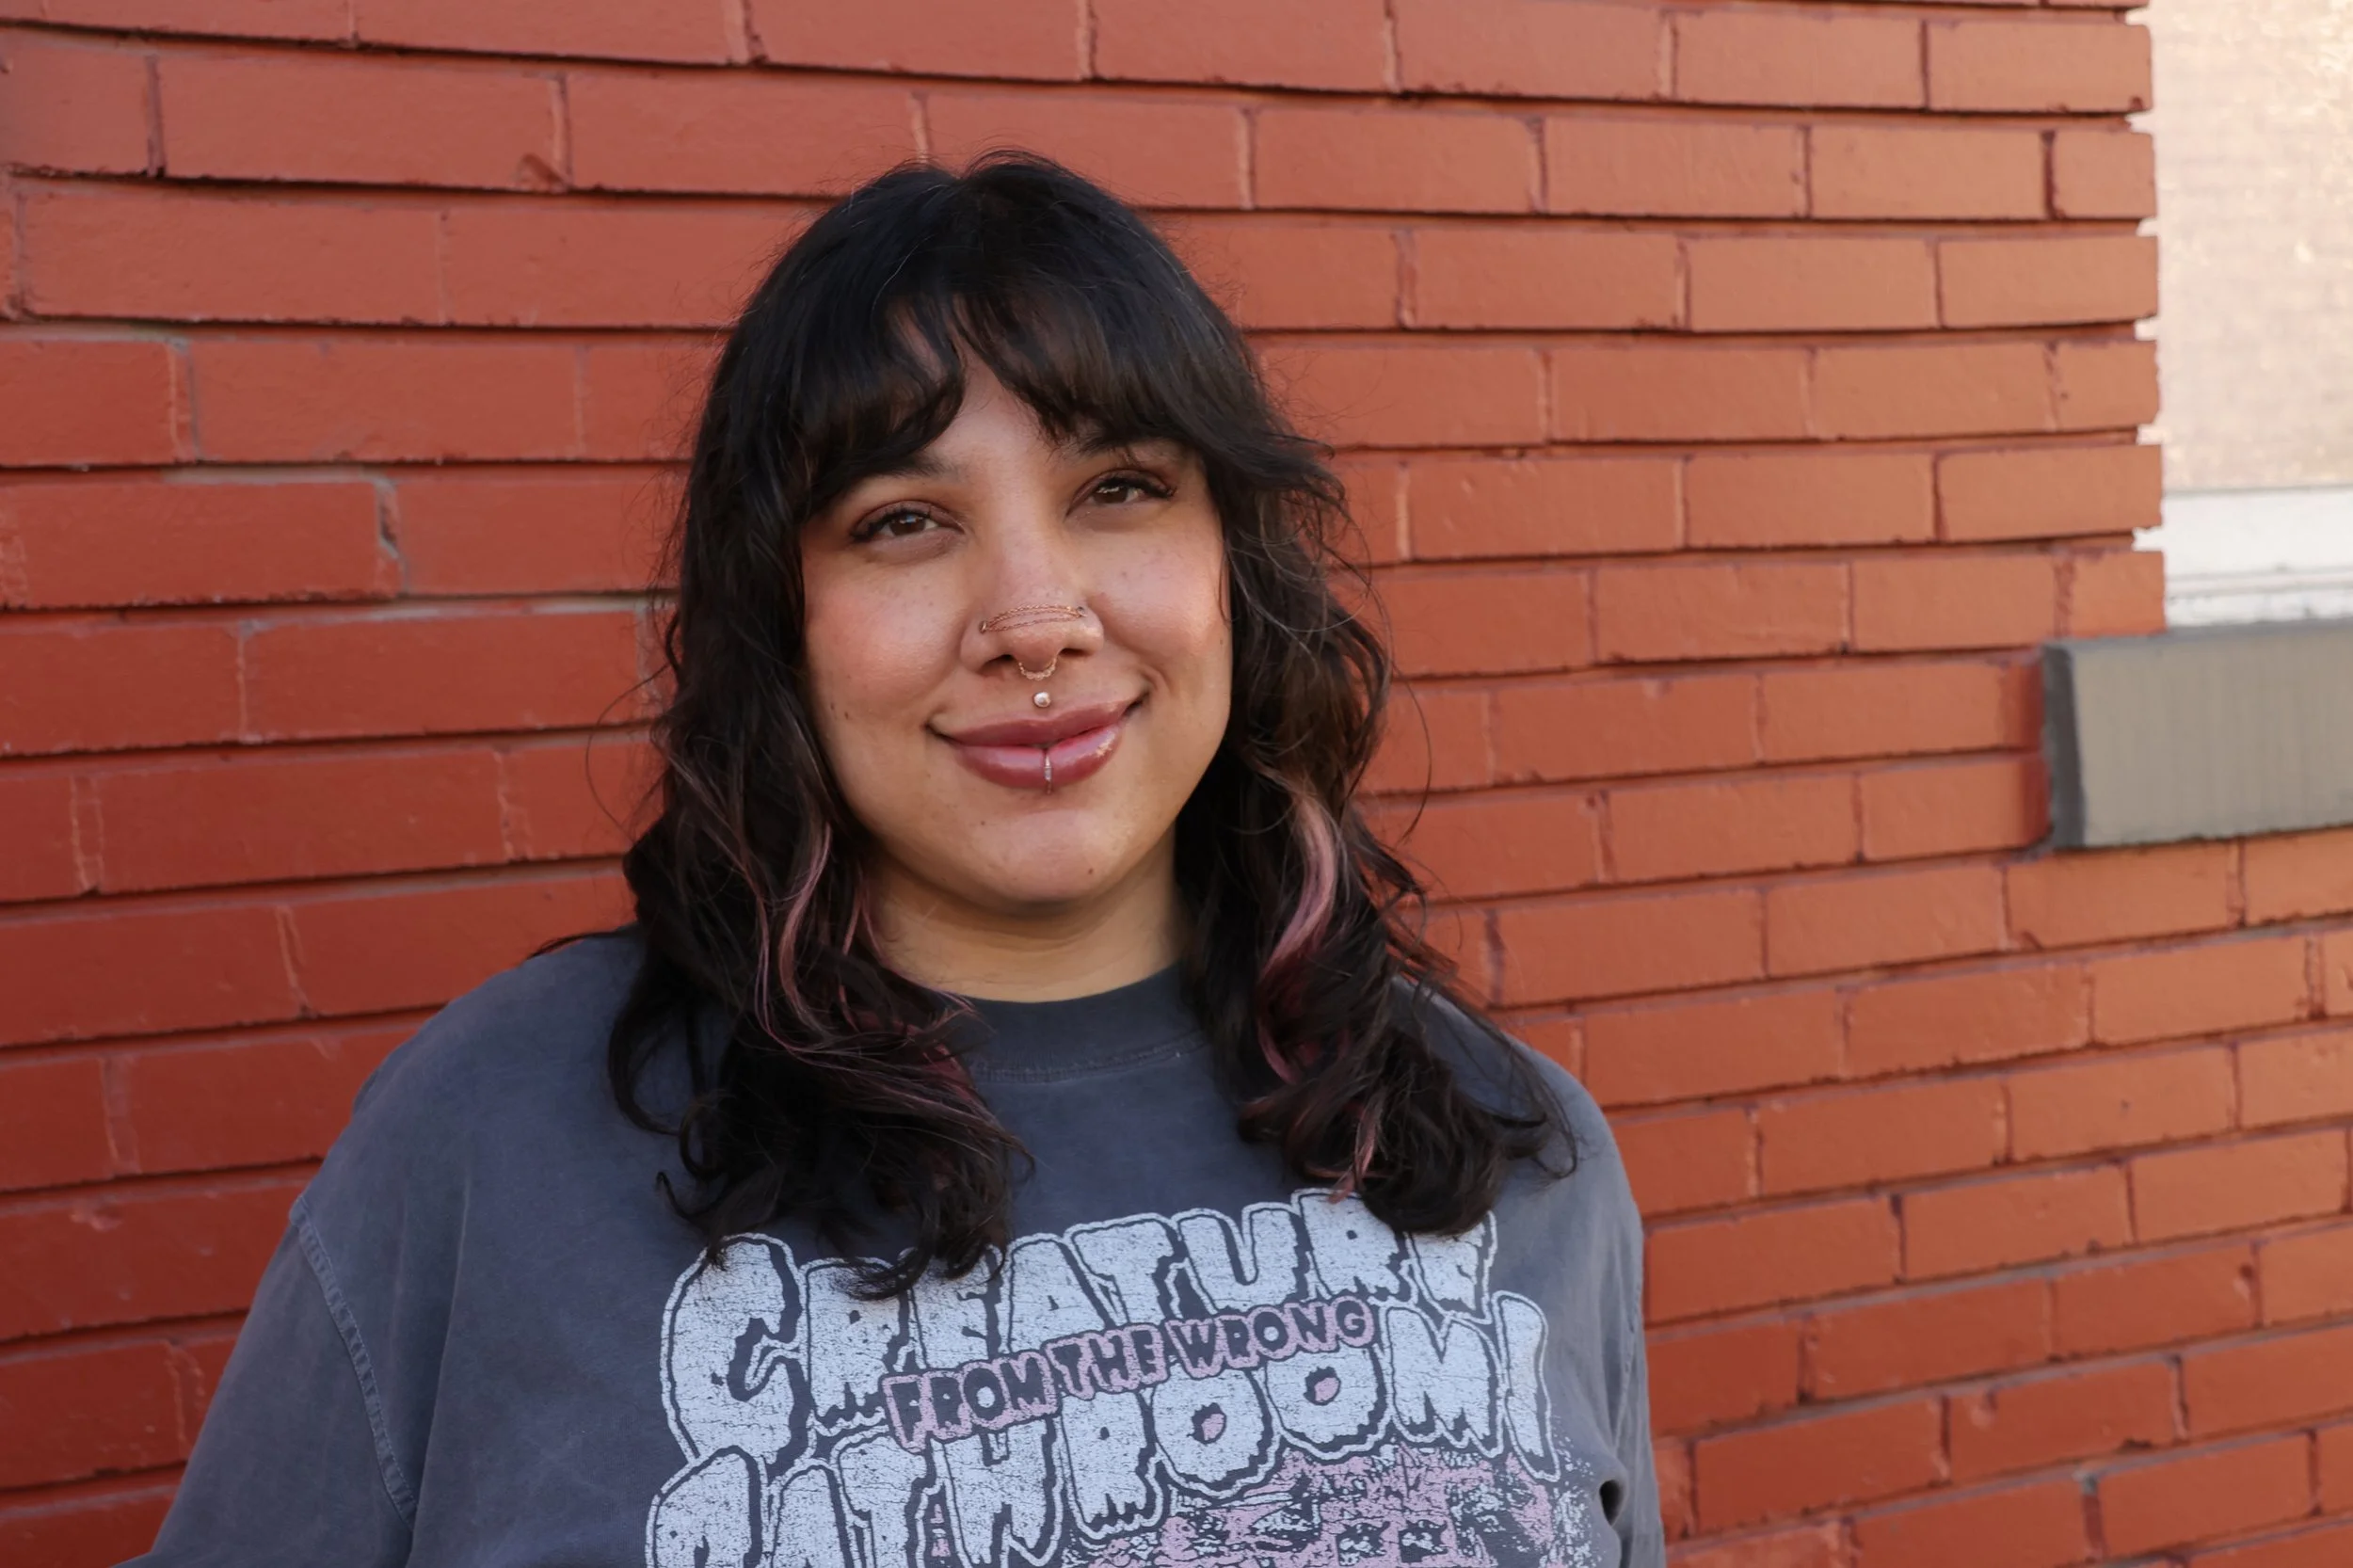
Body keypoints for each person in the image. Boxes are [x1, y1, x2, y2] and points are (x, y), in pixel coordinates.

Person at [129, 153, 1661, 1568]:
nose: (1035, 617)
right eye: (906, 520)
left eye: (1118, 487)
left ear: (1233, 567)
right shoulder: (488, 1151)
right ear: (781, 621)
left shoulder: (1520, 1157)